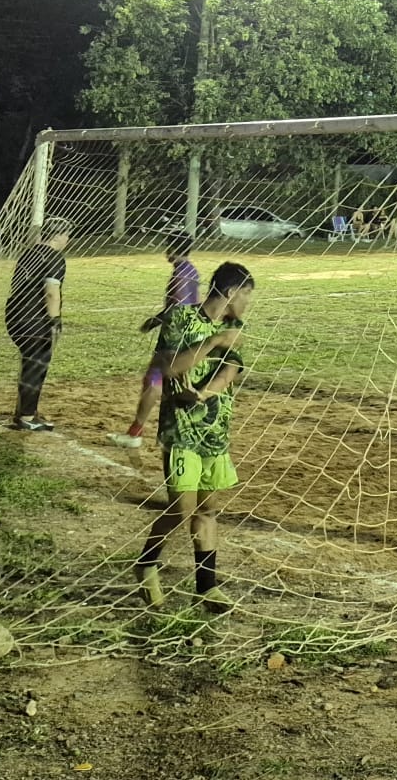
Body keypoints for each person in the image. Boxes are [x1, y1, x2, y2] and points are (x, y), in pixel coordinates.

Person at [135, 261, 256, 611]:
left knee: (208, 508)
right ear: (232, 293)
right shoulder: (181, 320)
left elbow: (231, 367)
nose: (247, 304)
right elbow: (170, 367)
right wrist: (213, 340)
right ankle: (146, 564)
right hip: (181, 430)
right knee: (182, 507)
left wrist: (206, 393)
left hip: (215, 429)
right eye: (247, 296)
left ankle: (206, 587)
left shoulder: (235, 325)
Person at [109, 233, 202, 449]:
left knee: (154, 381)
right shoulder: (191, 270)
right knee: (174, 385)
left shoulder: (180, 274)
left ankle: (135, 434)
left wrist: (154, 321)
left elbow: (177, 307)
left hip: (174, 336)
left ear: (173, 248)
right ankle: (171, 433)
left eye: (168, 246)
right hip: (187, 334)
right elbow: (196, 303)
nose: (165, 251)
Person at [5, 218, 71, 431]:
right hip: (33, 318)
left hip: (14, 314)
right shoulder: (54, 257)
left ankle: (24, 410)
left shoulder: (29, 252)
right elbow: (51, 292)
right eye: (67, 235)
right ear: (58, 235)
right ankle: (26, 417)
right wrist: (55, 320)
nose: (67, 240)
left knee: (30, 362)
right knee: (36, 366)